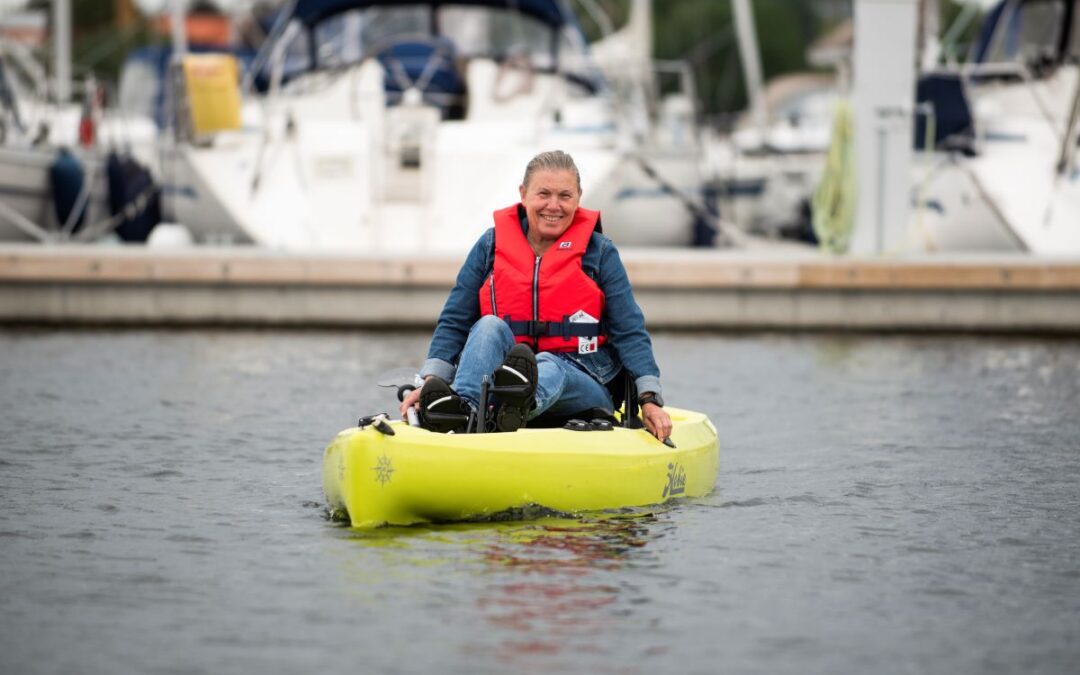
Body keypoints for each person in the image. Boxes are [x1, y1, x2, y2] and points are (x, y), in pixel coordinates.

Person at [399, 150, 672, 441]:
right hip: (497, 380)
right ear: (524, 194)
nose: (553, 206)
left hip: (583, 384)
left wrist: (649, 398)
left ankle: (510, 408)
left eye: (565, 196)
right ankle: (463, 409)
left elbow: (630, 331)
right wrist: (431, 381)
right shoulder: (490, 246)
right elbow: (454, 322)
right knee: (488, 325)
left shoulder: (600, 253)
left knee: (552, 366)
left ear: (578, 198)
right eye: (544, 194)